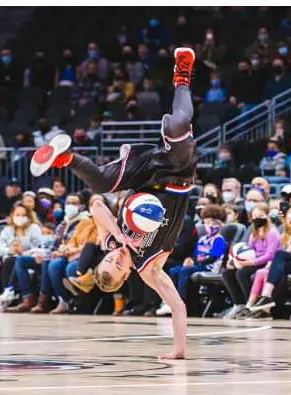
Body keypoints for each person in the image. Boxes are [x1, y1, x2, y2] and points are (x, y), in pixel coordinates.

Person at [29, 46, 199, 359]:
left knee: (103, 185)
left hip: (143, 175)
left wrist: (117, 236)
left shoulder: (110, 240)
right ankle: (182, 78)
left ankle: (66, 157)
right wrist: (178, 352)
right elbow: (178, 307)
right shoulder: (150, 269)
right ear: (126, 277)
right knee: (178, 125)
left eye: (109, 260)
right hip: (178, 177)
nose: (116, 258)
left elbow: (95, 205)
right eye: (119, 266)